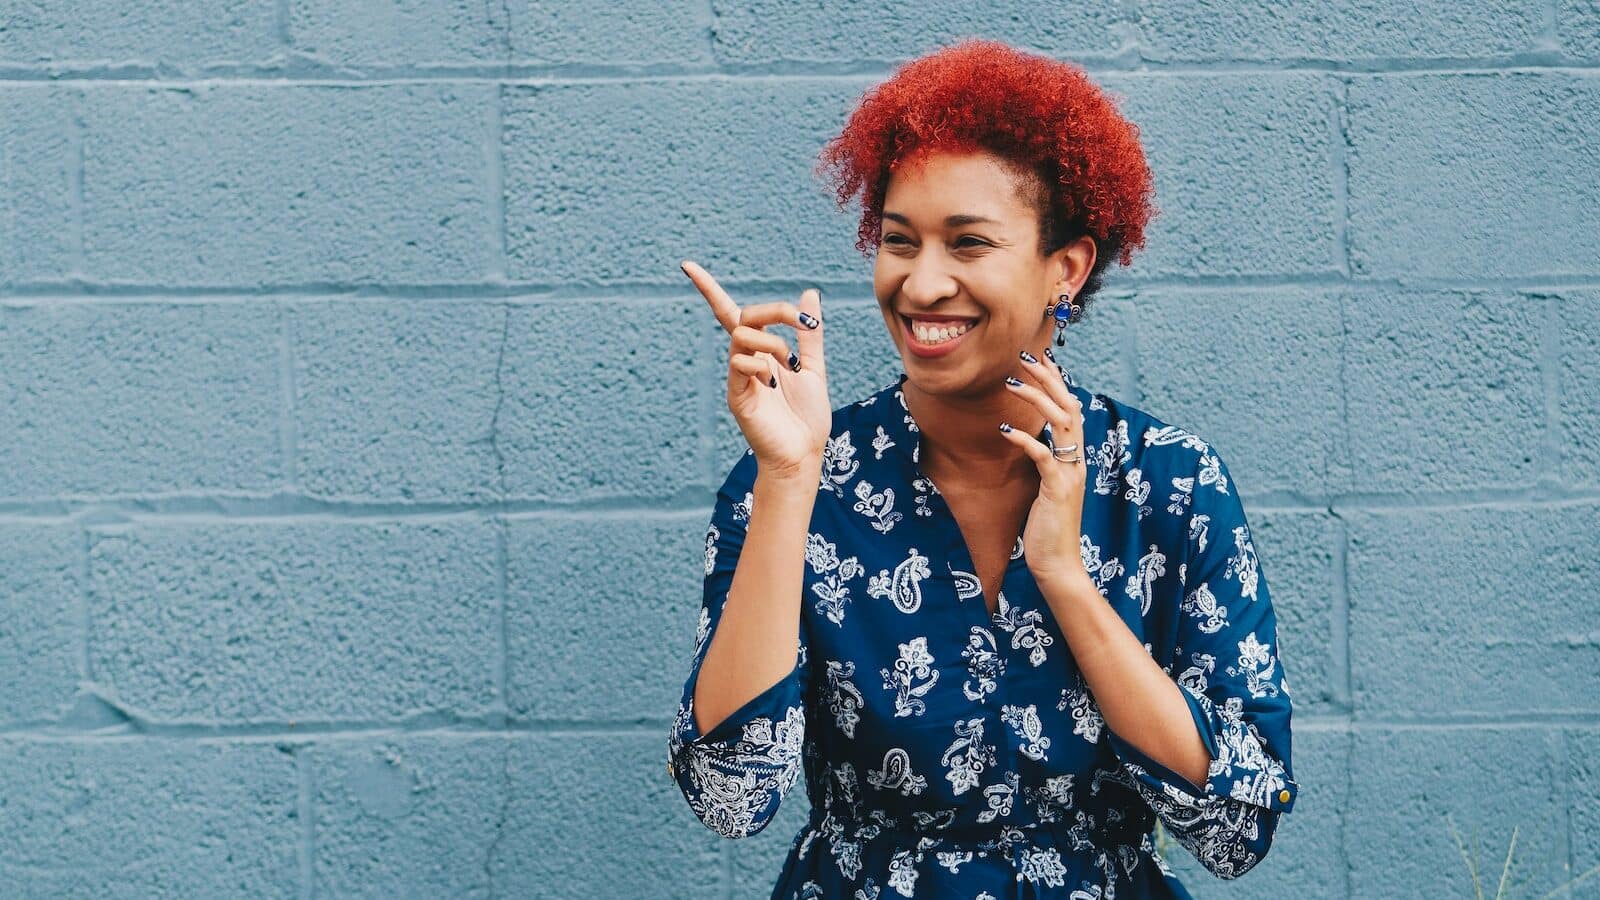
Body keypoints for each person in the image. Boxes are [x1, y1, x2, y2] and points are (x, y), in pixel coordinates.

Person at [667, 38, 1298, 899]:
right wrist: (787, 479)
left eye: (968, 244)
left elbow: (1235, 829)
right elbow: (730, 797)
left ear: (1064, 269)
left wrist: (1065, 579)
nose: (922, 284)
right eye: (899, 241)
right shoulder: (796, 481)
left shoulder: (1169, 485)